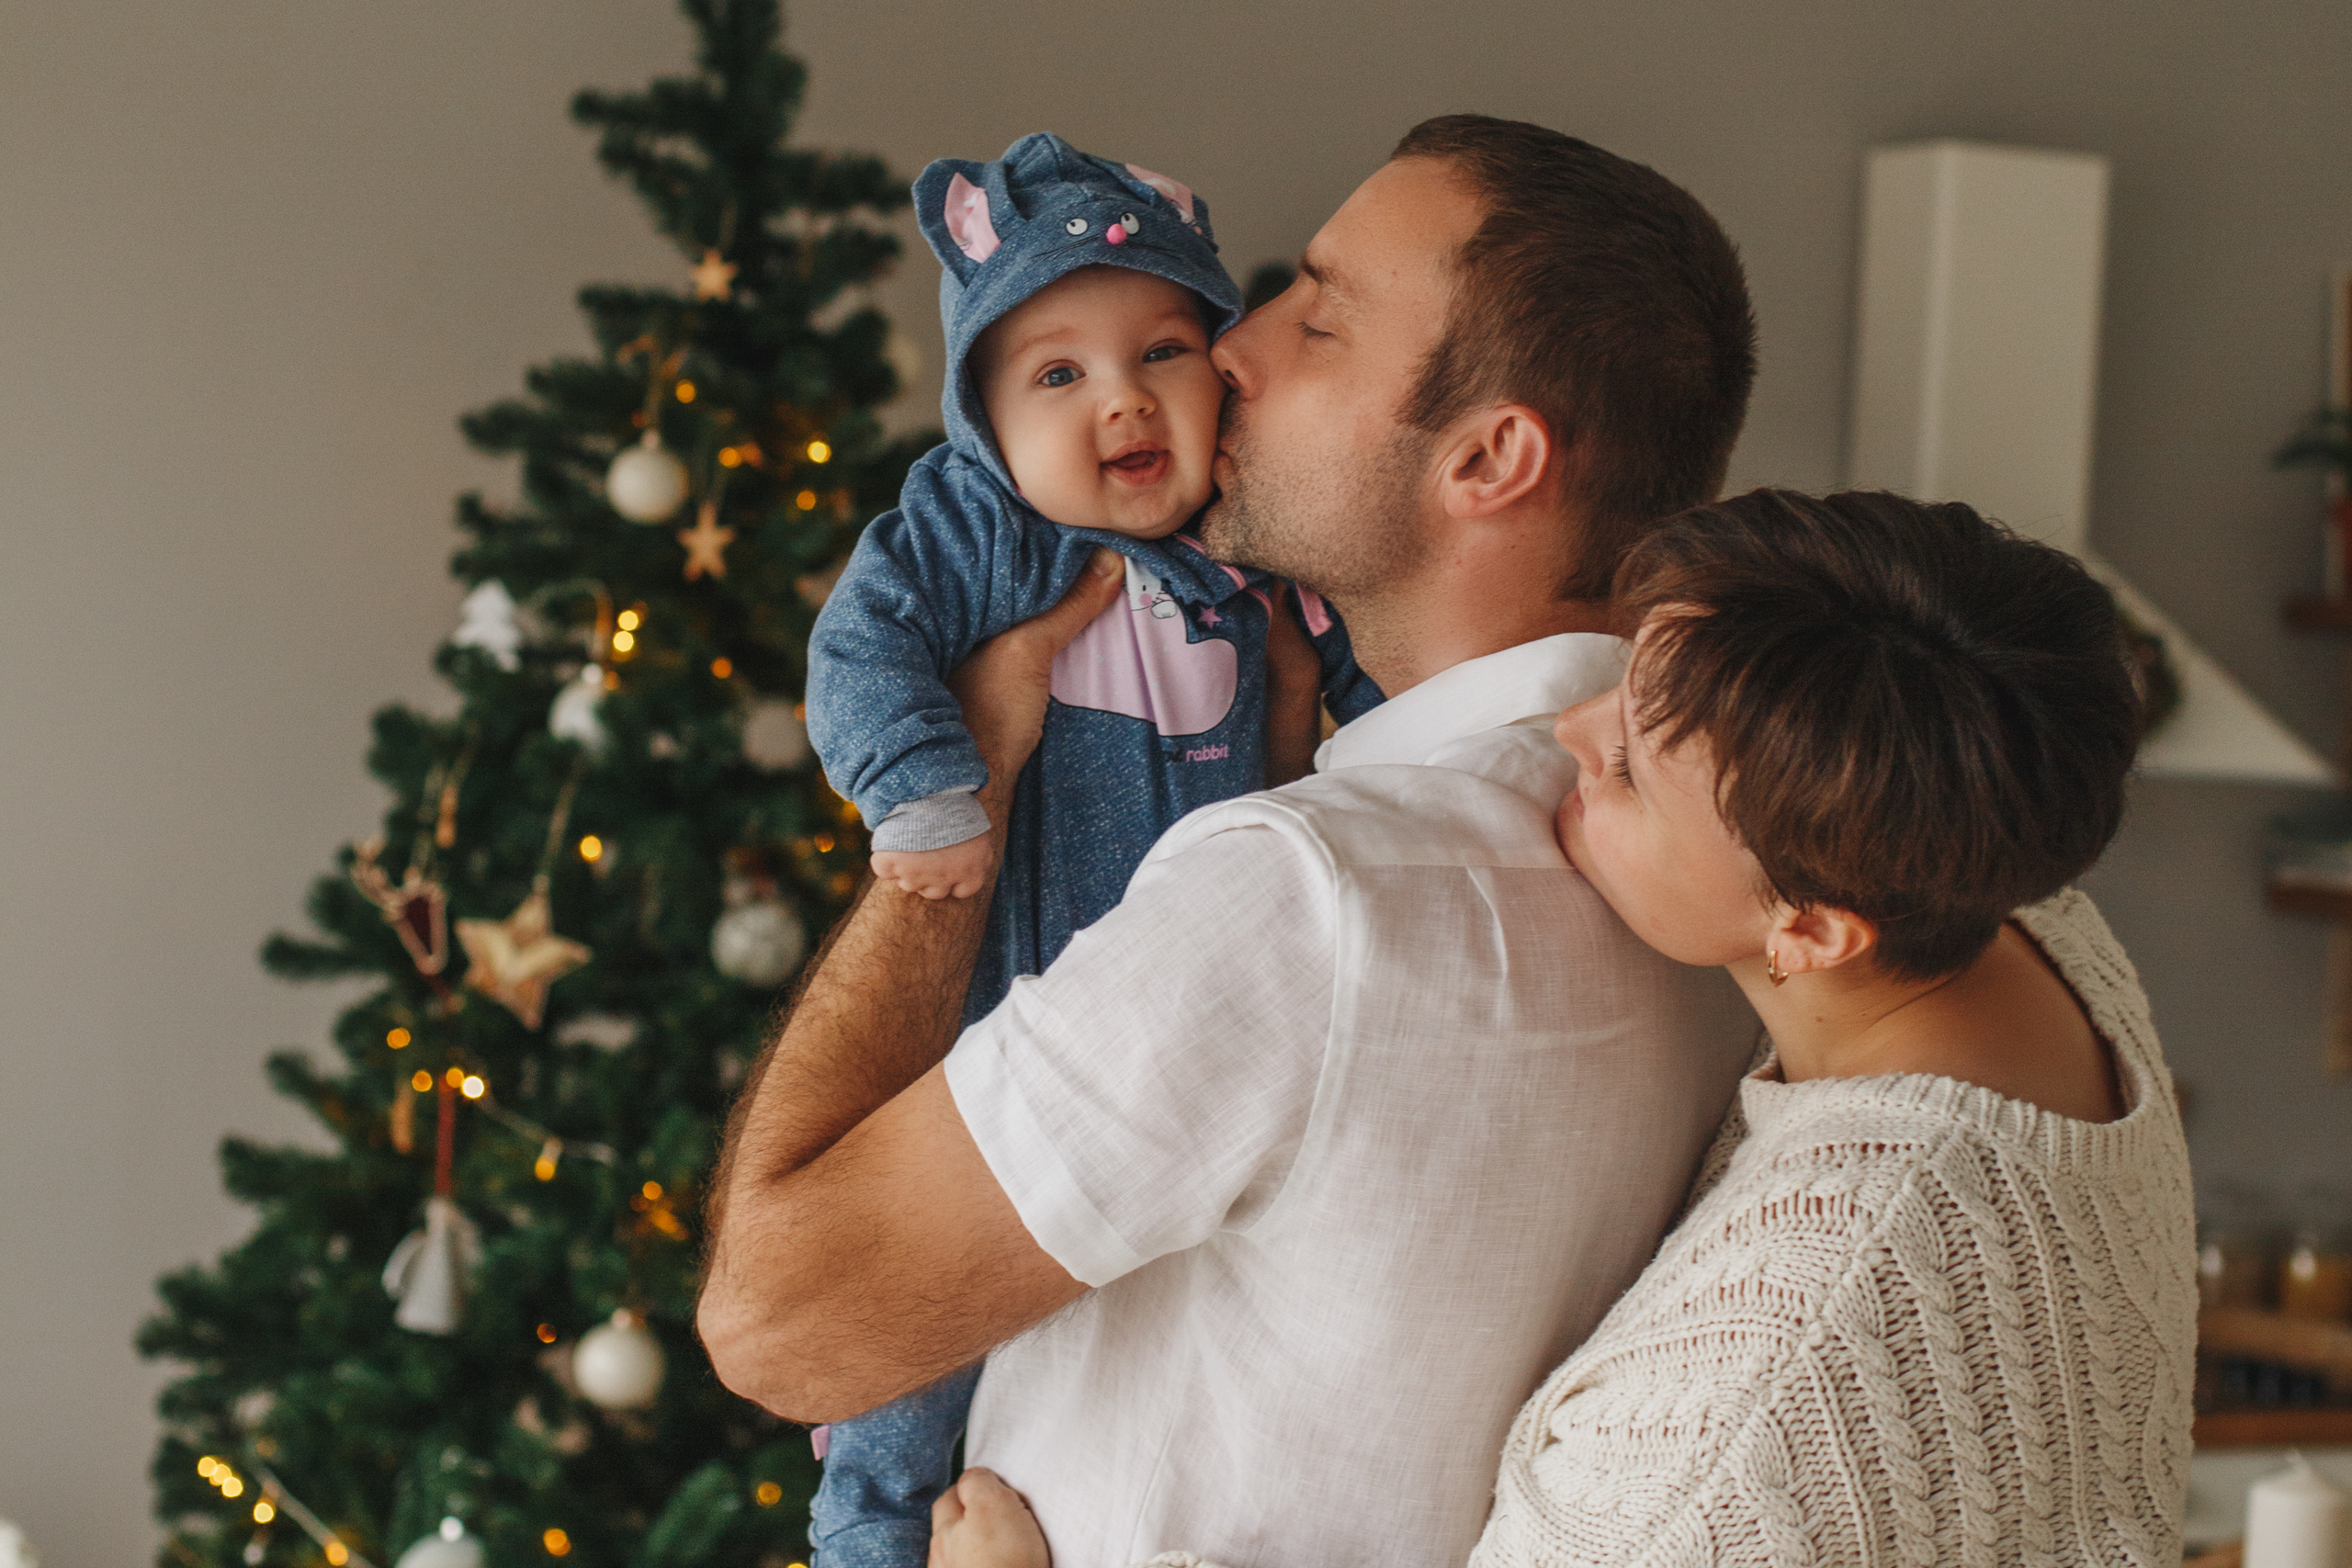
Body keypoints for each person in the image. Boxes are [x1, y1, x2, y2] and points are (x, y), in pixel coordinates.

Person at [698, 115, 1763, 1568]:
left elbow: (779, 1321)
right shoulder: (1736, 876)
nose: (1229, 348)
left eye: (1316, 320)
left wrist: (969, 807)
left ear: (1490, 459)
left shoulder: (1310, 897)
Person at [928, 489, 2199, 1568]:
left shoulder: (1731, 1416)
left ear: (1814, 927)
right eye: (1619, 682)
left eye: (1633, 769)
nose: (1570, 734)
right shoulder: (2040, 935)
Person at [800, 131, 1379, 1568]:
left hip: (1182, 1024)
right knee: (913, 1332)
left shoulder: (1258, 557)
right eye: (1057, 375)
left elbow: (1374, 691)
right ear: (985, 421)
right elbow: (858, 649)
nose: (1121, 399)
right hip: (1003, 1012)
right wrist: (926, 789)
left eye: (1164, 352)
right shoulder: (984, 532)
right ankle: (868, 1535)